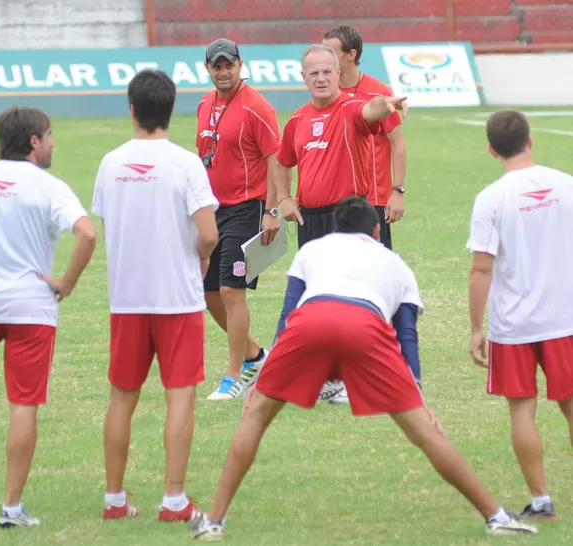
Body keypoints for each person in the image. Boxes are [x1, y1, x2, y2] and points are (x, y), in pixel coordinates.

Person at [189, 197, 539, 541]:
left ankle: (214, 522)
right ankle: (496, 515)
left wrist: (264, 379)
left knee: (256, 417)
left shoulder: (312, 250)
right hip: (365, 324)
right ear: (375, 230)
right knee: (425, 432)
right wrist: (418, 396)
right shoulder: (395, 263)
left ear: (335, 226)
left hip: (309, 321)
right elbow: (406, 333)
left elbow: (288, 313)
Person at [0, 106, 96, 528]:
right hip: (31, 306)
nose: (53, 143)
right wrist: (67, 282)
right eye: (49, 136)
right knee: (23, 404)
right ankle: (11, 509)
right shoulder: (49, 186)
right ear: (33, 142)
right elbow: (88, 233)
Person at [93, 70, 218, 522]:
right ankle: (173, 498)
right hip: (177, 299)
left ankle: (114, 498)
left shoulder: (110, 163)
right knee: (179, 396)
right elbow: (208, 233)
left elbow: (109, 227)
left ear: (131, 110)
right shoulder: (185, 164)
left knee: (121, 398)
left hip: (126, 299)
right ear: (170, 110)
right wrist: (201, 260)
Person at [271, 44, 407, 405]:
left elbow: (371, 110)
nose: (320, 78)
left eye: (327, 72)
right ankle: (328, 376)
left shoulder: (350, 109)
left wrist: (386, 104)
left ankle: (358, 375)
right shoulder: (296, 121)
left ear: (337, 73)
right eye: (313, 73)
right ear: (303, 78)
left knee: (354, 297)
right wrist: (284, 199)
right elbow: (281, 162)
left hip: (348, 216)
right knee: (316, 299)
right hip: (310, 219)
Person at [467, 109, 573, 520]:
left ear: (491, 150)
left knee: (522, 410)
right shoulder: (566, 185)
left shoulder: (492, 198)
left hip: (515, 325)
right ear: (530, 140)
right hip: (566, 317)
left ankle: (542, 501)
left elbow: (481, 269)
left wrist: (477, 328)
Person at [196, 38, 280, 401]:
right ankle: (255, 355)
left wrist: (273, 210)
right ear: (207, 69)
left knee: (232, 290)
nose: (223, 71)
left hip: (247, 206)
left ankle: (235, 375)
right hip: (212, 209)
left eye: (228, 64)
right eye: (216, 66)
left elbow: (277, 159)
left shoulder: (257, 106)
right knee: (209, 292)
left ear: (240, 65)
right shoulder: (204, 105)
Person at [323, 25, 408, 250]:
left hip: (373, 199)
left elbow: (398, 144)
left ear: (351, 54)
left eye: (331, 53)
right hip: (334, 198)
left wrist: (398, 191)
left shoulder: (377, 92)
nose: (325, 59)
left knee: (374, 266)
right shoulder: (325, 92)